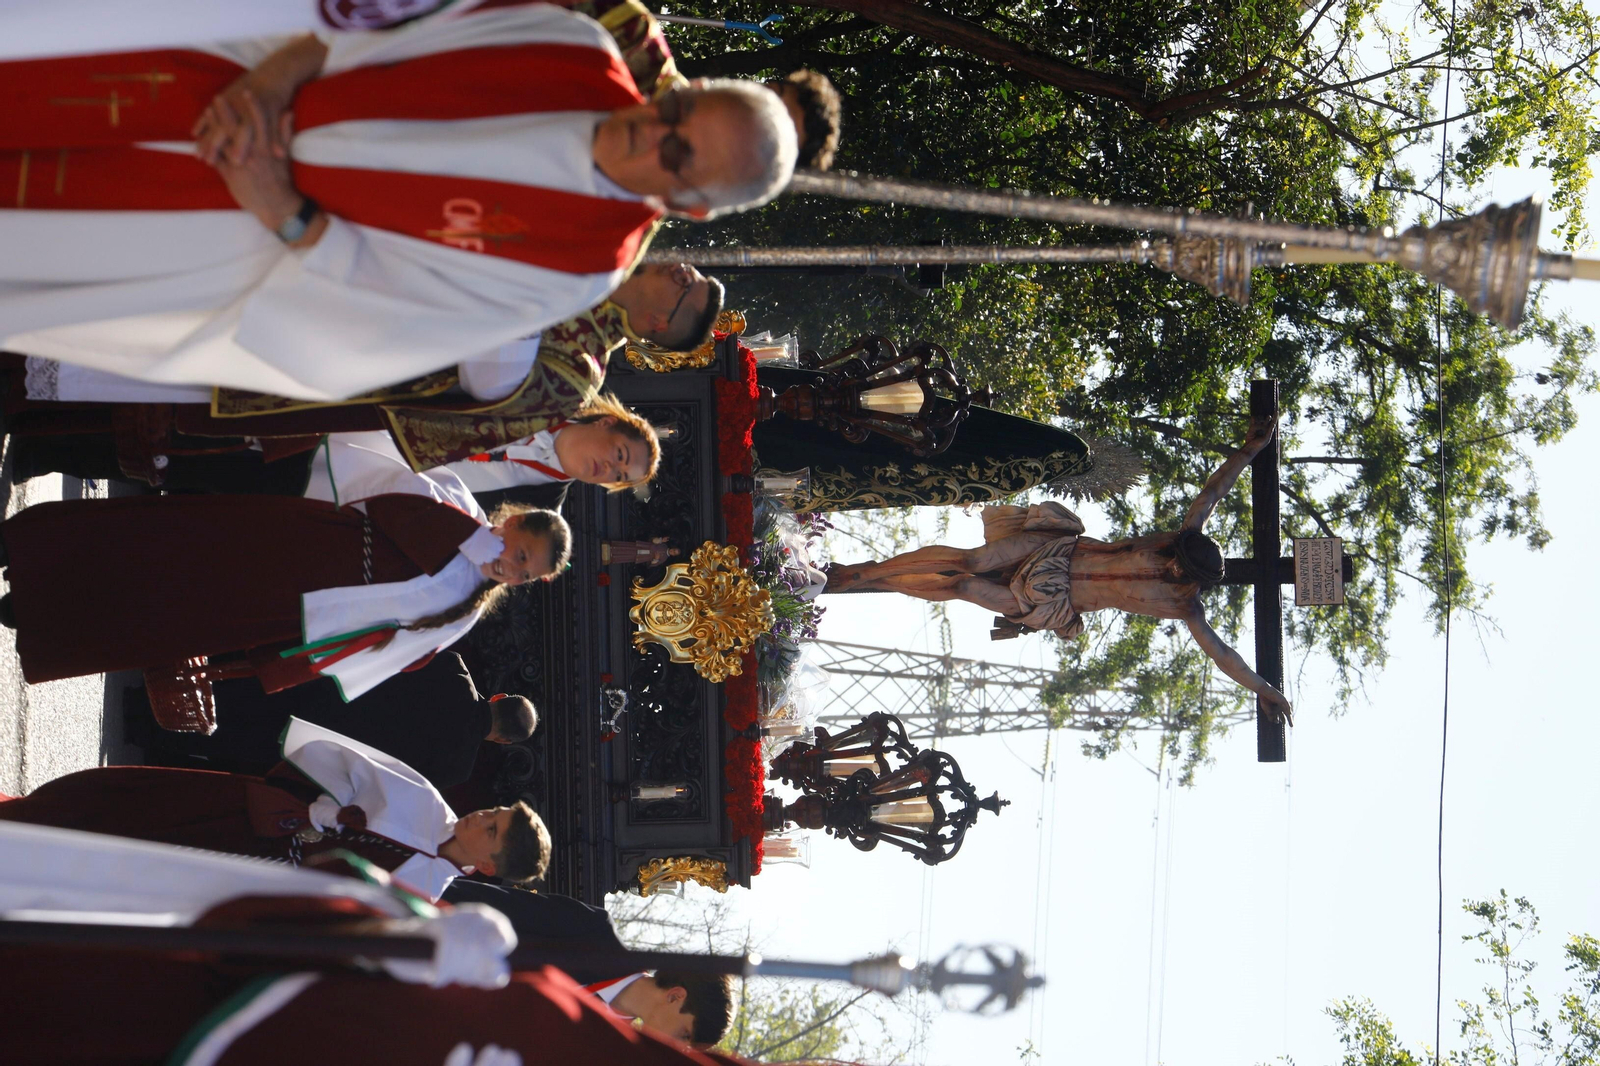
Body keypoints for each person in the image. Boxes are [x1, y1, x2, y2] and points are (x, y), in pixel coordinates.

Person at [0, 6, 797, 400]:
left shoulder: (574, 269)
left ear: (689, 208)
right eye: (678, 108)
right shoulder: (571, 47)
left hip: (221, 223)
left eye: (676, 154)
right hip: (218, 82)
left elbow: (379, 311)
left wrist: (275, 200)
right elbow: (379, 21)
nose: (651, 126)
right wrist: (270, 81)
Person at [0, 824, 742, 1066]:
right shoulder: (589, 937)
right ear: (677, 997)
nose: (662, 1039)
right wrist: (418, 924)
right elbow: (473, 901)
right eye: (679, 1035)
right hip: (364, 951)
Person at [828, 413, 1295, 722]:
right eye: (1176, 557)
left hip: (1055, 601)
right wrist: (1253, 447)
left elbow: (1222, 655)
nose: (1172, 566)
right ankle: (865, 573)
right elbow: (1214, 490)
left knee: (967, 587)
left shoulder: (1186, 609)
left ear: (1192, 580)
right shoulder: (1178, 537)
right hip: (1055, 555)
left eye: (1179, 570)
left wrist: (1265, 690)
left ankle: (882, 576)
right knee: (968, 560)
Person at [0, 445, 572, 696]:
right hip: (281, 541)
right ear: (514, 520)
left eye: (525, 576)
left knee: (163, 613)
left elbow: (382, 651)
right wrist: (465, 542)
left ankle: (37, 614)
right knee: (157, 543)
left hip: (283, 607)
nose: (512, 570)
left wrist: (282, 664)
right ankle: (29, 552)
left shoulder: (465, 614)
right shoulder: (456, 507)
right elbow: (379, 490)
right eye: (522, 554)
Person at [0, 717, 552, 902]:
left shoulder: (421, 898)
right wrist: (324, 807)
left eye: (493, 829)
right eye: (495, 811)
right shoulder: (427, 799)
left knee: (134, 871)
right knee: (136, 805)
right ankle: (31, 819)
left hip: (247, 876)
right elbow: (341, 761)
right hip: (255, 817)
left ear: (486, 866)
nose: (481, 816)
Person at [142, 651, 534, 790]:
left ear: (498, 696)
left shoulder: (453, 669)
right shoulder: (457, 769)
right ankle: (156, 730)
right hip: (332, 749)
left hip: (334, 692)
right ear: (502, 742)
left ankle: (159, 692)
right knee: (245, 742)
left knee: (246, 697)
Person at [441, 880, 634, 985]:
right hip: (435, 939)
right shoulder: (597, 934)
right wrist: (425, 896)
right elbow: (504, 905)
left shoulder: (601, 1042)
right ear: (666, 996)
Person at [588, 970, 737, 1049]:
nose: (677, 1052)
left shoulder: (610, 1052)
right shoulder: (591, 928)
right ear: (675, 996)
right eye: (685, 1036)